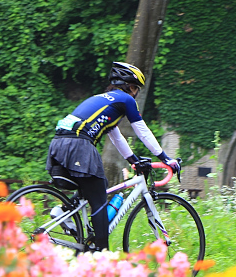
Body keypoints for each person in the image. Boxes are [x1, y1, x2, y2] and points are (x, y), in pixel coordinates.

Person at [46, 61, 180, 252]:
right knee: (100, 196)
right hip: (78, 145)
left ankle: (65, 213)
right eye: (135, 88)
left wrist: (132, 159)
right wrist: (166, 158)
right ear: (129, 86)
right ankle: (102, 253)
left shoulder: (104, 100)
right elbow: (142, 131)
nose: (135, 92)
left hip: (59, 144)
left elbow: (116, 137)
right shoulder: (125, 100)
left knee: (92, 187)